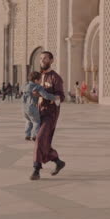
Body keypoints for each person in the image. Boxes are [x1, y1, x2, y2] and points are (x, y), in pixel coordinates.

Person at [31, 51, 66, 181]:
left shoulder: (55, 78)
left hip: (50, 114)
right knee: (39, 140)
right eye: (40, 58)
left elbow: (61, 97)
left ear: (51, 60)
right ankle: (57, 161)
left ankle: (36, 168)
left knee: (40, 138)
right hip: (38, 113)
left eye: (45, 58)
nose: (42, 60)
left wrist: (48, 97)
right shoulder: (38, 77)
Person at [23, 71, 59, 141]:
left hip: (24, 108)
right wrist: (55, 97)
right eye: (40, 80)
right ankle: (35, 136)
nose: (41, 81)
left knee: (29, 120)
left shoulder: (25, 85)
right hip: (32, 107)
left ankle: (27, 135)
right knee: (36, 121)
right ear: (36, 80)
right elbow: (46, 95)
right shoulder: (37, 87)